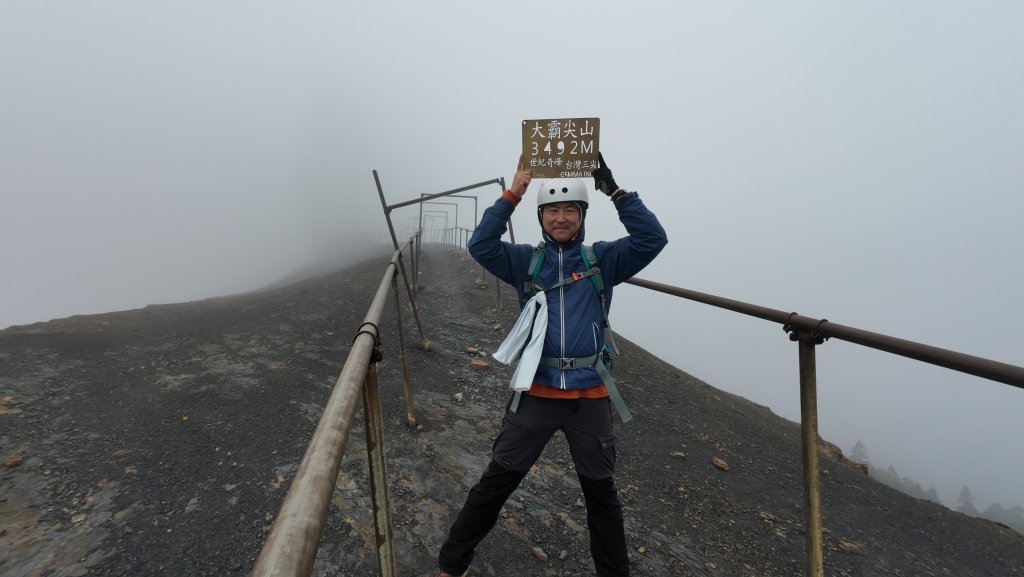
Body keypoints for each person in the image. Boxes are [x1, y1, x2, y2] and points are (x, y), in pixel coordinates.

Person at [437, 151, 668, 577]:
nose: (561, 219)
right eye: (552, 211)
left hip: (590, 394)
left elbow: (652, 239)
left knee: (601, 496)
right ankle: (451, 566)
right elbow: (480, 245)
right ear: (541, 216)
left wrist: (614, 190)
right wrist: (515, 192)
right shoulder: (526, 261)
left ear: (581, 215)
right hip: (537, 391)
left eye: (570, 210)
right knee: (496, 483)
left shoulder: (602, 259)